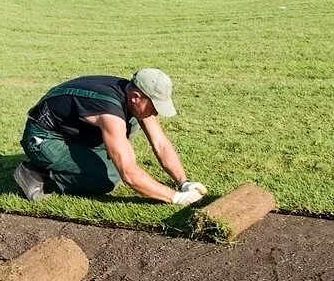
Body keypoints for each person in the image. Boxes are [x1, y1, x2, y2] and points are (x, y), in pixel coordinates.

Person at [13, 69, 207, 206]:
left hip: (73, 131)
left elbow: (160, 143)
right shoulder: (110, 112)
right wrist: (176, 198)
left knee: (125, 136)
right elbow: (129, 174)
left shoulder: (129, 93)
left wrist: (184, 182)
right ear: (136, 97)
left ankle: (71, 162)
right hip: (44, 138)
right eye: (154, 105)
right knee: (107, 179)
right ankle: (39, 174)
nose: (155, 111)